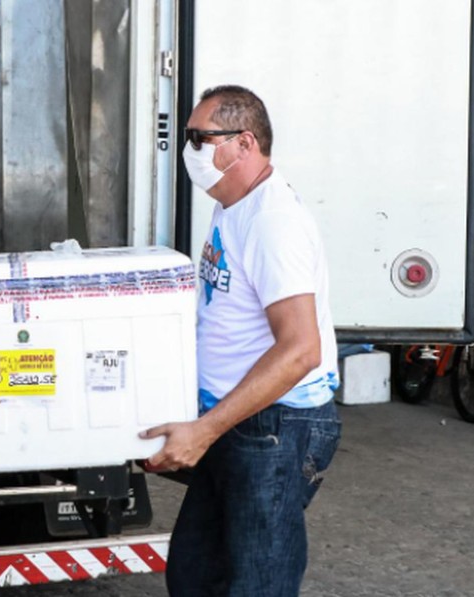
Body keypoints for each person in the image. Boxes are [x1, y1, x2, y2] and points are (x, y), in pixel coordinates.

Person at [141, 86, 342, 596]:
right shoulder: (234, 206)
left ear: (244, 143)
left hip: (276, 429)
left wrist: (204, 430)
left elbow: (300, 349)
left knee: (257, 584)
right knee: (196, 574)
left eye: (199, 138)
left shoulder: (273, 222)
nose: (190, 150)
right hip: (237, 423)